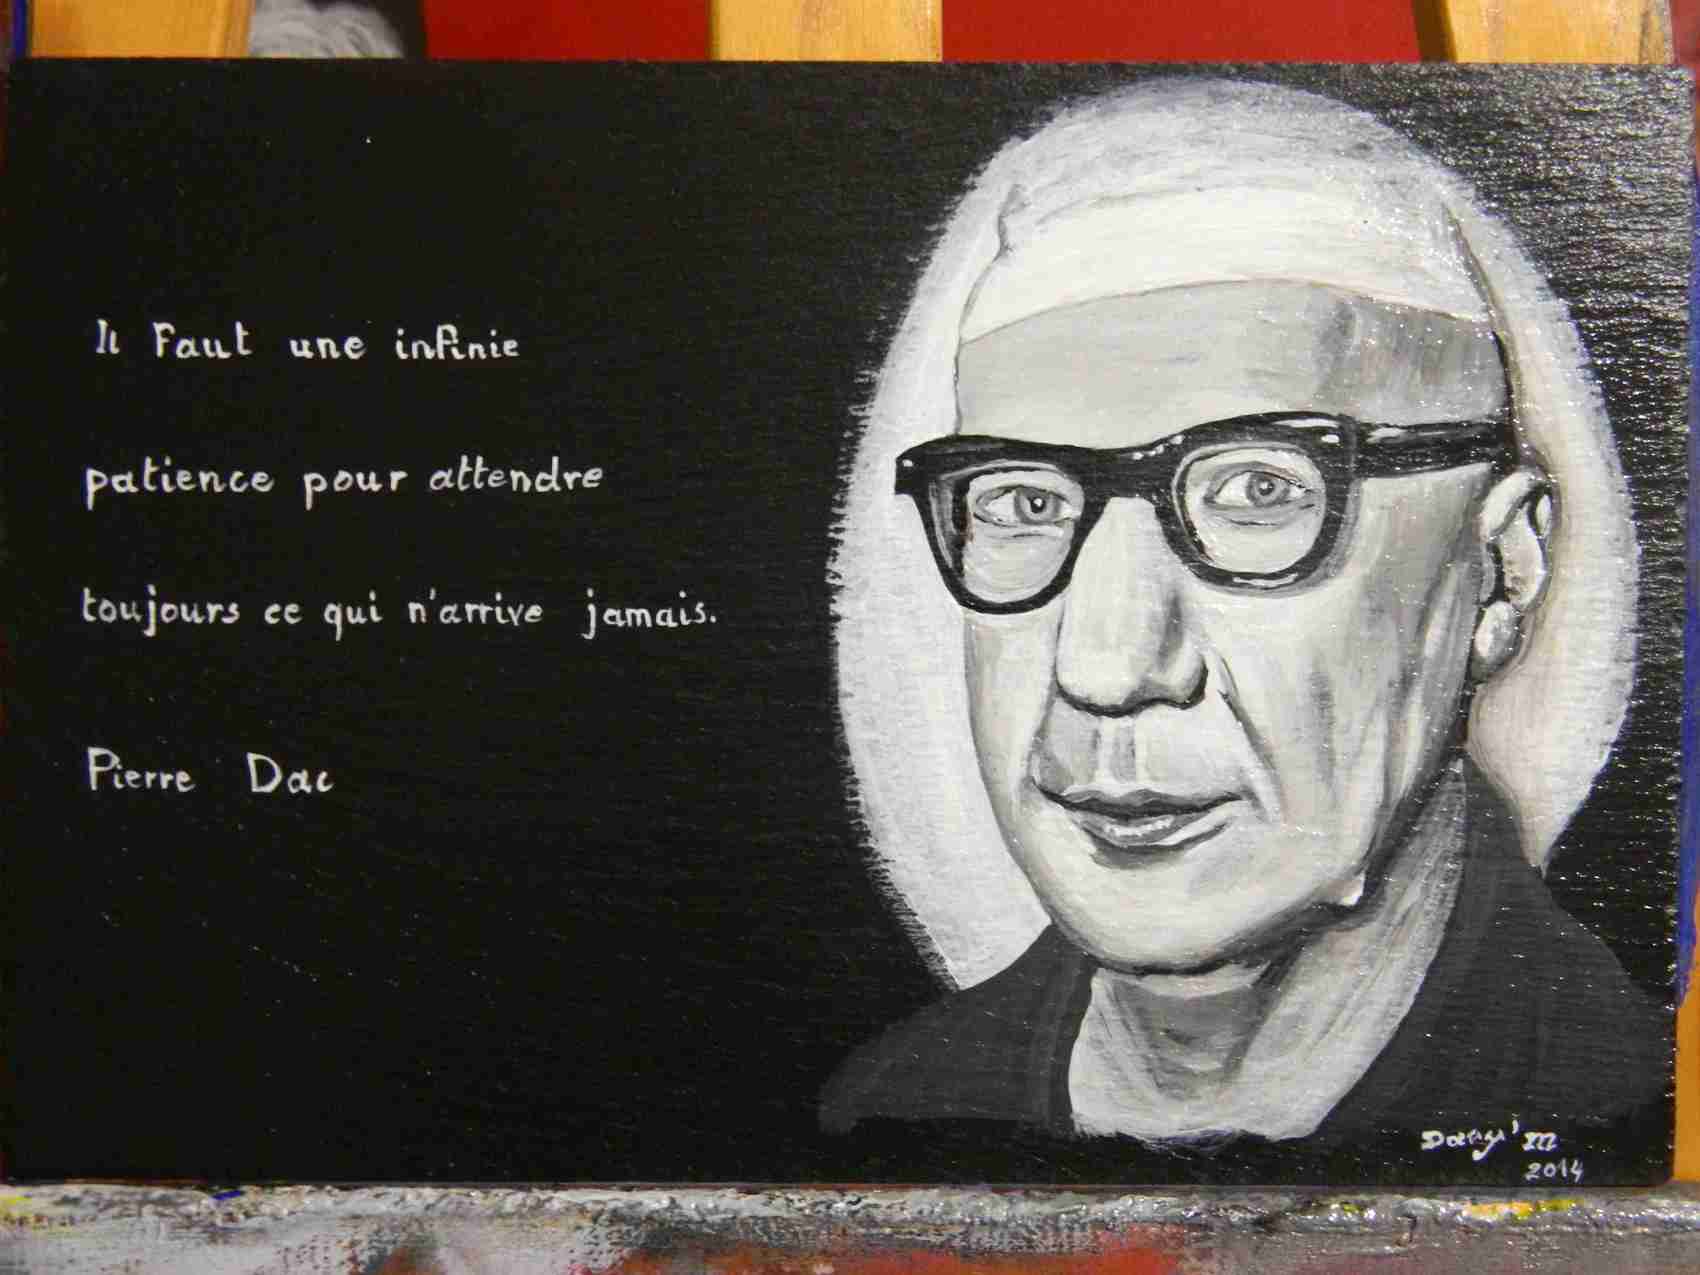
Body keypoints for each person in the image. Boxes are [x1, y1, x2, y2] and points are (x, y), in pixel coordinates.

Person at [823, 79, 1667, 1146]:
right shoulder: (892, 1117)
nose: (1107, 665)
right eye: (1024, 503)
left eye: (1259, 490)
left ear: (1499, 569)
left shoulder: (1625, 1114)